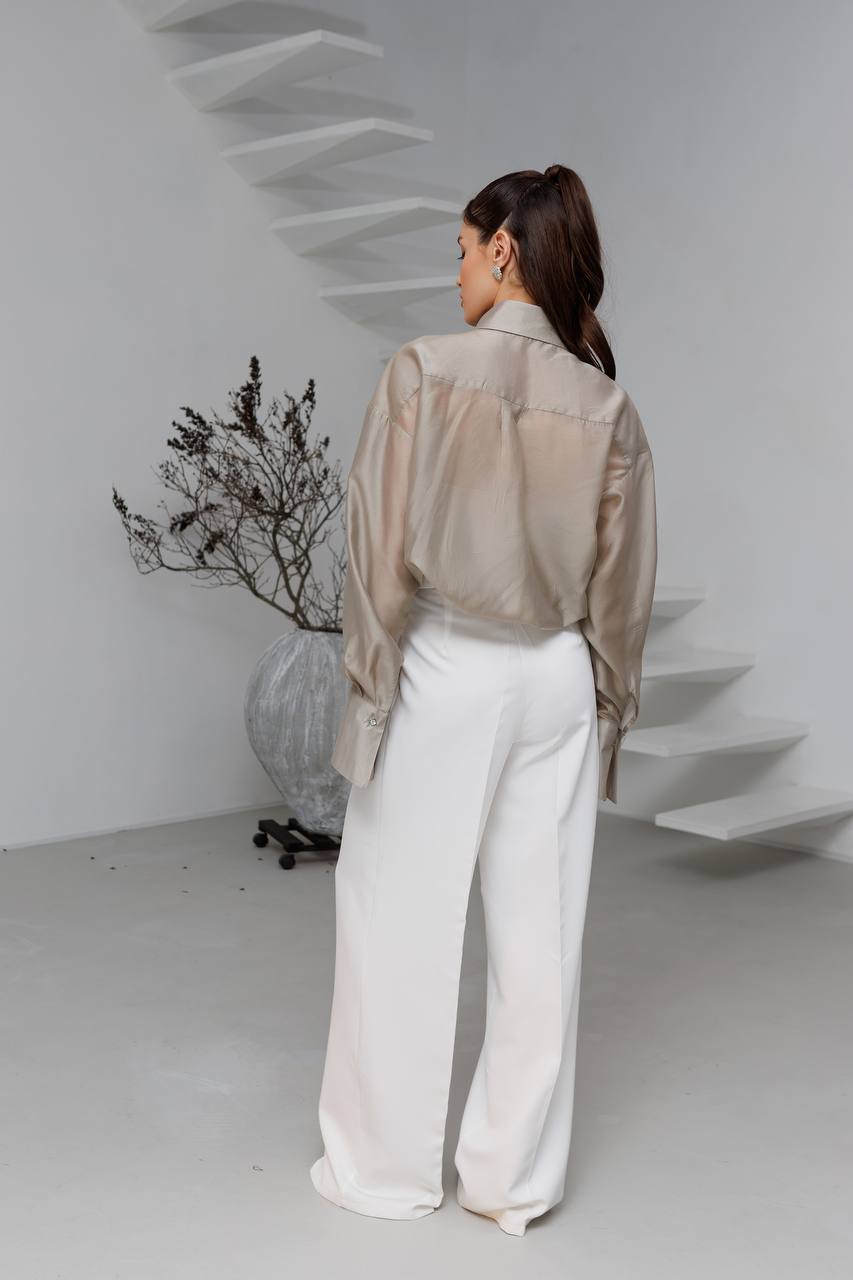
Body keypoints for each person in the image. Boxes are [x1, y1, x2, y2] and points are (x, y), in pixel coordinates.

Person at [309, 165, 658, 1236]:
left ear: (503, 248)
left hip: (446, 662)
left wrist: (371, 687)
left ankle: (383, 1170)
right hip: (555, 671)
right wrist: (605, 708)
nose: (455, 270)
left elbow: (374, 555)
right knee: (538, 934)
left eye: (463, 249)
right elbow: (622, 588)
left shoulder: (424, 368)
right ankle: (510, 1181)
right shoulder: (607, 405)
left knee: (396, 915)